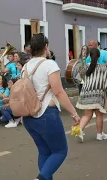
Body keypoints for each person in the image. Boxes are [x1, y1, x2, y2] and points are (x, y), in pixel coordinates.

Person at [22, 33, 80, 180]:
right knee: (60, 151)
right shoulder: (50, 64)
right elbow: (59, 92)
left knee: (44, 151)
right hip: (47, 114)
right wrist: (74, 113)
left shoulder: (26, 67)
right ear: (46, 47)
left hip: (29, 116)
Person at [75, 48, 107, 142]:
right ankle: (99, 135)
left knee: (87, 115)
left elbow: (78, 78)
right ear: (99, 56)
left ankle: (80, 131)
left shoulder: (84, 67)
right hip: (99, 93)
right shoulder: (103, 68)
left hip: (86, 92)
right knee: (99, 115)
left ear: (89, 56)